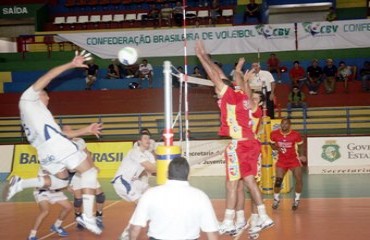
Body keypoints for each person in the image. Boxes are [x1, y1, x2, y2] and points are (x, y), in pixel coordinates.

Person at [3, 51, 103, 235]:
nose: (48, 97)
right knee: (88, 171)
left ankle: (21, 183)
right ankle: (88, 216)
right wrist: (71, 65)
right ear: (38, 93)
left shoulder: (37, 115)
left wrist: (86, 131)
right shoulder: (28, 98)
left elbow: (64, 134)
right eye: (45, 95)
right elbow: (49, 76)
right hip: (55, 146)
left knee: (60, 180)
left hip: (44, 150)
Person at [195, 40, 274, 236]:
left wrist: (201, 58)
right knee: (247, 182)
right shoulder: (244, 97)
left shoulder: (230, 97)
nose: (216, 89)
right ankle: (261, 216)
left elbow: (215, 76)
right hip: (250, 143)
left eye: (218, 88)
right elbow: (222, 76)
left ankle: (231, 221)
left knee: (233, 184)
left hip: (239, 145)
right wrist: (209, 59)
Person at [129, 156, 219, 240]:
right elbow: (212, 232)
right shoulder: (201, 196)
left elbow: (135, 228)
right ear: (188, 175)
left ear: (167, 173)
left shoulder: (150, 194)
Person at [112, 131, 157, 240]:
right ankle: (126, 234)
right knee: (142, 204)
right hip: (123, 181)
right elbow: (151, 168)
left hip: (134, 182)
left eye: (149, 138)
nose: (148, 140)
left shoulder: (149, 155)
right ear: (139, 141)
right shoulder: (134, 152)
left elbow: (153, 171)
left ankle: (151, 223)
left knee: (152, 195)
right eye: (145, 138)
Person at [270, 118, 306, 210]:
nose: (284, 126)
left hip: (293, 160)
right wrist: (277, 148)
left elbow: (301, 145)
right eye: (282, 124)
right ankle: (276, 199)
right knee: (278, 181)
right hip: (281, 161)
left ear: (290, 125)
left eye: (286, 124)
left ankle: (296, 200)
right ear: (280, 124)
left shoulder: (295, 135)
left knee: (299, 180)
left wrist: (302, 155)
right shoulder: (274, 134)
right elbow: (272, 144)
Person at [28, 169, 72, 240]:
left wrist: (67, 186)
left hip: (55, 191)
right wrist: (65, 187)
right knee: (45, 211)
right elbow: (46, 184)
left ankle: (56, 226)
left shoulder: (61, 167)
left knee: (68, 207)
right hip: (42, 191)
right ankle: (32, 235)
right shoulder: (45, 167)